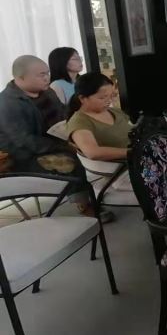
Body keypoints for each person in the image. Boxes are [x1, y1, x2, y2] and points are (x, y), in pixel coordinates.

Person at [0, 56, 112, 221]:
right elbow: (23, 140)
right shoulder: (7, 103)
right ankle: (84, 204)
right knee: (71, 161)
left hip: (54, 142)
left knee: (92, 144)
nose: (47, 78)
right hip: (23, 156)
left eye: (47, 73)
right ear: (20, 77)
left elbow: (64, 114)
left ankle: (113, 186)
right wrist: (64, 145)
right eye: (41, 75)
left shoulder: (48, 92)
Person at [66, 73, 132, 162]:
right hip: (118, 167)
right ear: (82, 98)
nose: (109, 101)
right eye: (102, 98)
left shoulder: (115, 112)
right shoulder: (79, 121)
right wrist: (132, 152)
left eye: (112, 96)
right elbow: (93, 152)